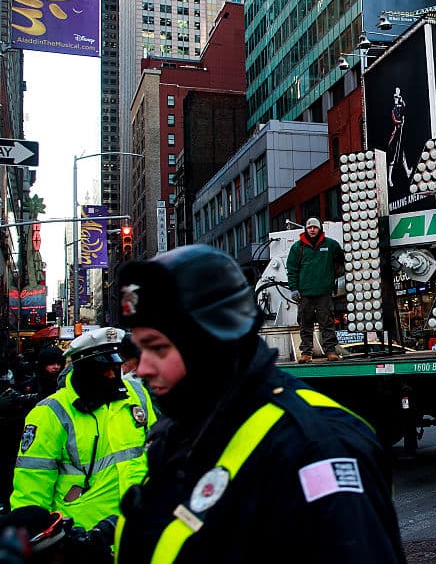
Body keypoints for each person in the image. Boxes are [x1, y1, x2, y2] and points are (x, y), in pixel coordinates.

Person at [114, 244, 404, 563]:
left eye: (158, 348)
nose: (142, 368)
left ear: (210, 343)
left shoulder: (318, 448)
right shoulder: (181, 431)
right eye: (140, 350)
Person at [10, 328, 153, 532]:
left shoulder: (136, 394)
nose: (113, 374)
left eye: (116, 366)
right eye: (104, 368)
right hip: (82, 537)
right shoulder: (50, 413)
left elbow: (156, 451)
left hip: (138, 527)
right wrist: (33, 539)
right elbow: (32, 487)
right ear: (83, 369)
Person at [287, 218, 344, 363]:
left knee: (327, 323)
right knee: (305, 324)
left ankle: (330, 351)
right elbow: (292, 270)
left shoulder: (331, 245)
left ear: (319, 229)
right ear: (306, 229)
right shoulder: (297, 247)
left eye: (315, 227)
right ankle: (306, 353)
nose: (312, 230)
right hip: (304, 294)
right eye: (309, 227)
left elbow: (342, 259)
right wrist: (294, 288)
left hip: (324, 292)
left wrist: (335, 276)